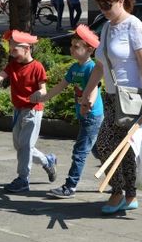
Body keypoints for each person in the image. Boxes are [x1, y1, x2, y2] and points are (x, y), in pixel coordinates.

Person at [80, 0, 142, 214]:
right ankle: (126, 193)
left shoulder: (135, 26)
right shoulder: (108, 27)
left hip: (133, 98)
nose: (103, 10)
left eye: (107, 5)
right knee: (112, 146)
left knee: (112, 145)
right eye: (100, 5)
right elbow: (101, 66)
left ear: (121, 1)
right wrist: (87, 93)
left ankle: (119, 192)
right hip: (113, 97)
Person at [0, 29, 57, 193]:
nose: (12, 54)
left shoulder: (37, 67)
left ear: (27, 49)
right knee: (20, 146)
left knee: (25, 146)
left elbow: (43, 89)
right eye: (10, 50)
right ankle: (47, 161)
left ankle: (23, 179)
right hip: (18, 110)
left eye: (15, 50)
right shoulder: (12, 65)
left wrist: (38, 94)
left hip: (33, 110)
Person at [32, 25, 104, 198]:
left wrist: (89, 103)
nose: (71, 49)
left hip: (92, 116)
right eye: (71, 46)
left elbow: (94, 87)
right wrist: (44, 97)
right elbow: (60, 86)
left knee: (79, 152)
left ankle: (70, 187)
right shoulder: (74, 68)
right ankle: (119, 177)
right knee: (97, 151)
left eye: (76, 47)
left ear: (90, 49)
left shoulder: (91, 68)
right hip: (84, 115)